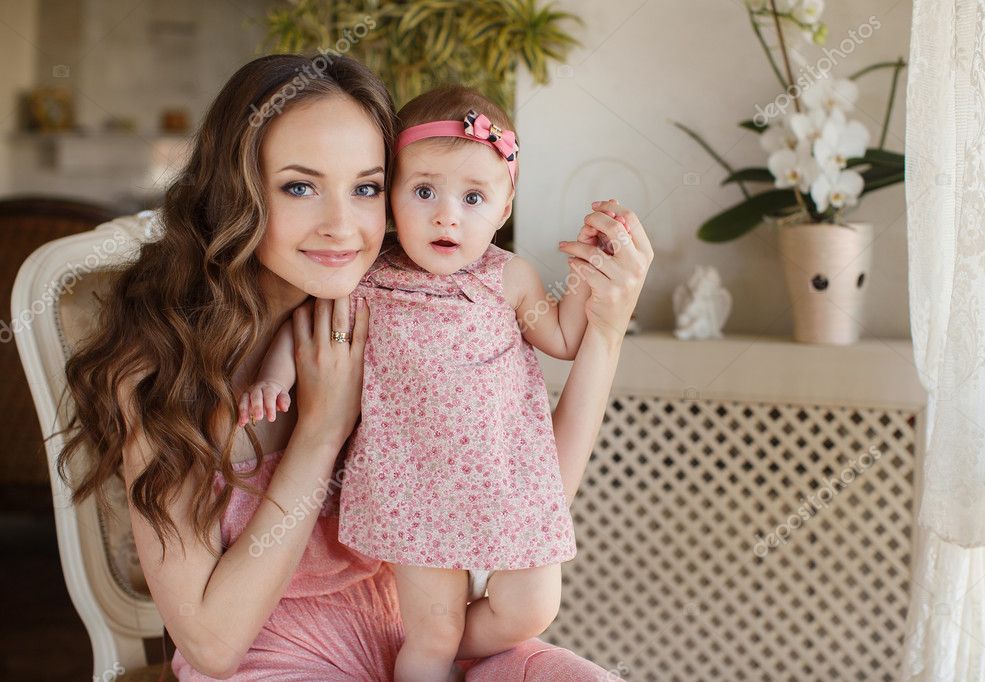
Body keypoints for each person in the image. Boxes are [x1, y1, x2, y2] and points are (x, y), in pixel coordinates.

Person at [57, 53, 652, 680]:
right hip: (272, 661)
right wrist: (323, 427)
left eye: (365, 188)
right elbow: (212, 645)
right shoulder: (163, 371)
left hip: (419, 639)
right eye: (299, 187)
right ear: (236, 193)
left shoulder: (405, 320)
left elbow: (533, 494)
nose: (342, 227)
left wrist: (605, 330)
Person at [236, 84, 633, 680]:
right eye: (424, 192)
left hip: (505, 485)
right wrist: (273, 378)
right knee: (433, 636)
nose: (447, 215)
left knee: (532, 608)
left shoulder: (508, 278)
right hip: (414, 493)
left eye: (474, 197)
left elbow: (564, 337)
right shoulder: (370, 279)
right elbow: (304, 329)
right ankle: (425, 662)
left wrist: (588, 274)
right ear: (392, 197)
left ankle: (438, 655)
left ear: (504, 209)